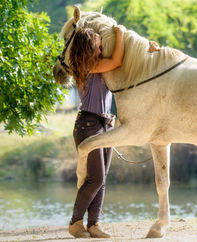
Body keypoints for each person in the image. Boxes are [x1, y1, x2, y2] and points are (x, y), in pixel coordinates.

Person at [67, 25, 160, 238]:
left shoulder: (99, 66)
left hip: (105, 124)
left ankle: (93, 224)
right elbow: (117, 61)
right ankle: (75, 222)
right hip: (89, 125)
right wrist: (120, 34)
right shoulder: (86, 65)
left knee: (101, 178)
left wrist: (148, 51)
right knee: (96, 178)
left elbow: (124, 65)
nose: (100, 51)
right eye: (98, 48)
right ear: (88, 49)